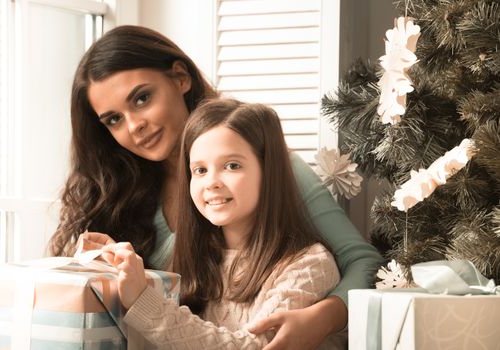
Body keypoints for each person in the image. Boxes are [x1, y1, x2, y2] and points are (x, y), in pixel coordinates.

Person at [48, 25, 383, 349]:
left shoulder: (276, 174)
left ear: (180, 78)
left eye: (142, 98)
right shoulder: (125, 196)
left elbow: (364, 262)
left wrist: (323, 319)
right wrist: (110, 262)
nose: (135, 126)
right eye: (114, 119)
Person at [100, 98, 345, 349]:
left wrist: (143, 302)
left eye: (231, 165)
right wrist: (111, 264)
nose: (211, 182)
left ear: (268, 172)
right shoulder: (194, 257)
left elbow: (255, 347)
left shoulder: (310, 265)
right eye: (200, 170)